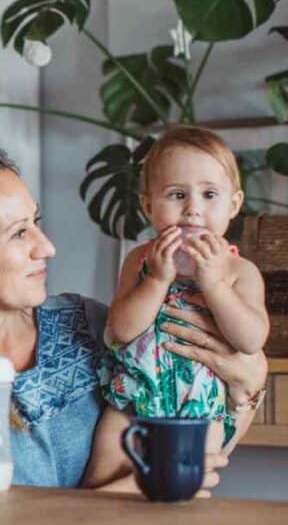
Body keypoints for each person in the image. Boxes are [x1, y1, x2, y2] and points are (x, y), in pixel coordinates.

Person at [0, 146, 267, 492]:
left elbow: (194, 449)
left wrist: (246, 392)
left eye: (36, 221)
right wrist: (129, 494)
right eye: (20, 233)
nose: (47, 247)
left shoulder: (86, 321)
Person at [83, 127, 268, 488]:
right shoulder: (141, 261)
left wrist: (214, 284)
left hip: (201, 409)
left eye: (210, 194)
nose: (193, 209)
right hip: (132, 400)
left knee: (184, 489)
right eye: (177, 194)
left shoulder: (239, 271)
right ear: (148, 205)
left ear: (234, 204)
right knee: (100, 483)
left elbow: (251, 339)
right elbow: (120, 330)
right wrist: (156, 280)